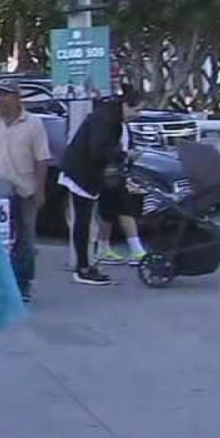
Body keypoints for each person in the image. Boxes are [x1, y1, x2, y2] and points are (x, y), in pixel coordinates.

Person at [0, 80, 51, 302]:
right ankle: (0, 285)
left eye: (6, 95)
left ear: (17, 98)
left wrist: (40, 190)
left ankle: (23, 284)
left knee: (25, 238)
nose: (1, 99)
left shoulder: (33, 124)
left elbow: (42, 159)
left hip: (25, 189)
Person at [57, 85, 143, 287]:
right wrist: (124, 155)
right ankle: (83, 267)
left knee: (88, 219)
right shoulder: (105, 120)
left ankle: (87, 263)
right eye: (137, 110)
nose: (138, 115)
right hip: (81, 173)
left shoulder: (110, 118)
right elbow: (98, 151)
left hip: (87, 173)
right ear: (125, 106)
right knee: (83, 221)